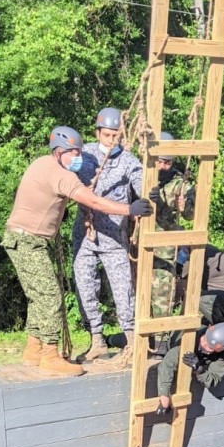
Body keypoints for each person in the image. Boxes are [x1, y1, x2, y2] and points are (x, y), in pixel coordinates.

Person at [2, 125, 151, 377]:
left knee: (38, 296)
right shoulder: (61, 174)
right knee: (50, 297)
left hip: (21, 239)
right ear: (59, 152)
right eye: (72, 153)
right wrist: (129, 210)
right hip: (28, 241)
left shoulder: (41, 163)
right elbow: (92, 200)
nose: (78, 158)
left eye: (79, 152)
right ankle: (50, 354)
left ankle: (34, 348)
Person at [72, 107, 143, 367]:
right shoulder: (84, 154)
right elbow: (63, 174)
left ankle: (132, 341)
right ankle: (97, 340)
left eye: (116, 135)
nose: (111, 140)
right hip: (86, 235)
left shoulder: (128, 160)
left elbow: (141, 182)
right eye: (107, 135)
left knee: (123, 290)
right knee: (85, 286)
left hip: (114, 237)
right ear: (98, 133)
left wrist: (148, 195)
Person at [147, 132, 196, 357]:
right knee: (138, 293)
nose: (163, 166)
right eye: (160, 160)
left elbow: (189, 214)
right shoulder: (143, 174)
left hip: (164, 247)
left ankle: (161, 341)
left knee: (162, 293)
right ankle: (140, 339)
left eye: (168, 161)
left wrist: (177, 203)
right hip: (139, 243)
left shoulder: (179, 183)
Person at [155, 322, 224, 416]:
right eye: (205, 339)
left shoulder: (223, 355)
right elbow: (168, 364)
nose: (204, 344)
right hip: (174, 341)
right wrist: (164, 396)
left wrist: (199, 369)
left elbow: (213, 379)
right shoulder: (190, 336)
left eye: (209, 347)